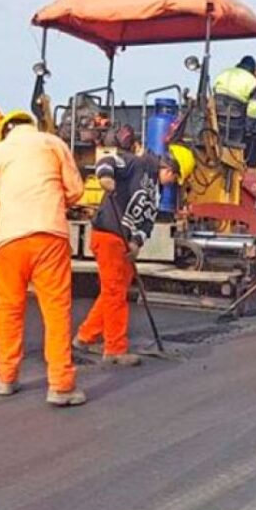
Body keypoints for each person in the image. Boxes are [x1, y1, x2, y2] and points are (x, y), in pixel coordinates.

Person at [0, 110, 86, 406]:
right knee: (56, 310)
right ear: (30, 126)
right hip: (49, 237)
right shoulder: (53, 143)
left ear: (6, 130)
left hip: (9, 240)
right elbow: (75, 191)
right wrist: (60, 199)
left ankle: (6, 378)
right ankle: (61, 386)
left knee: (9, 308)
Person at [74, 144, 194, 365]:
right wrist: (106, 177)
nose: (171, 184)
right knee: (115, 293)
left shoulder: (155, 192)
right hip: (109, 234)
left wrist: (136, 241)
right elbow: (107, 162)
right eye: (174, 178)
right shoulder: (136, 164)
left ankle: (85, 336)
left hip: (124, 241)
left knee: (116, 288)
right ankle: (115, 349)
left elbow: (147, 222)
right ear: (169, 169)